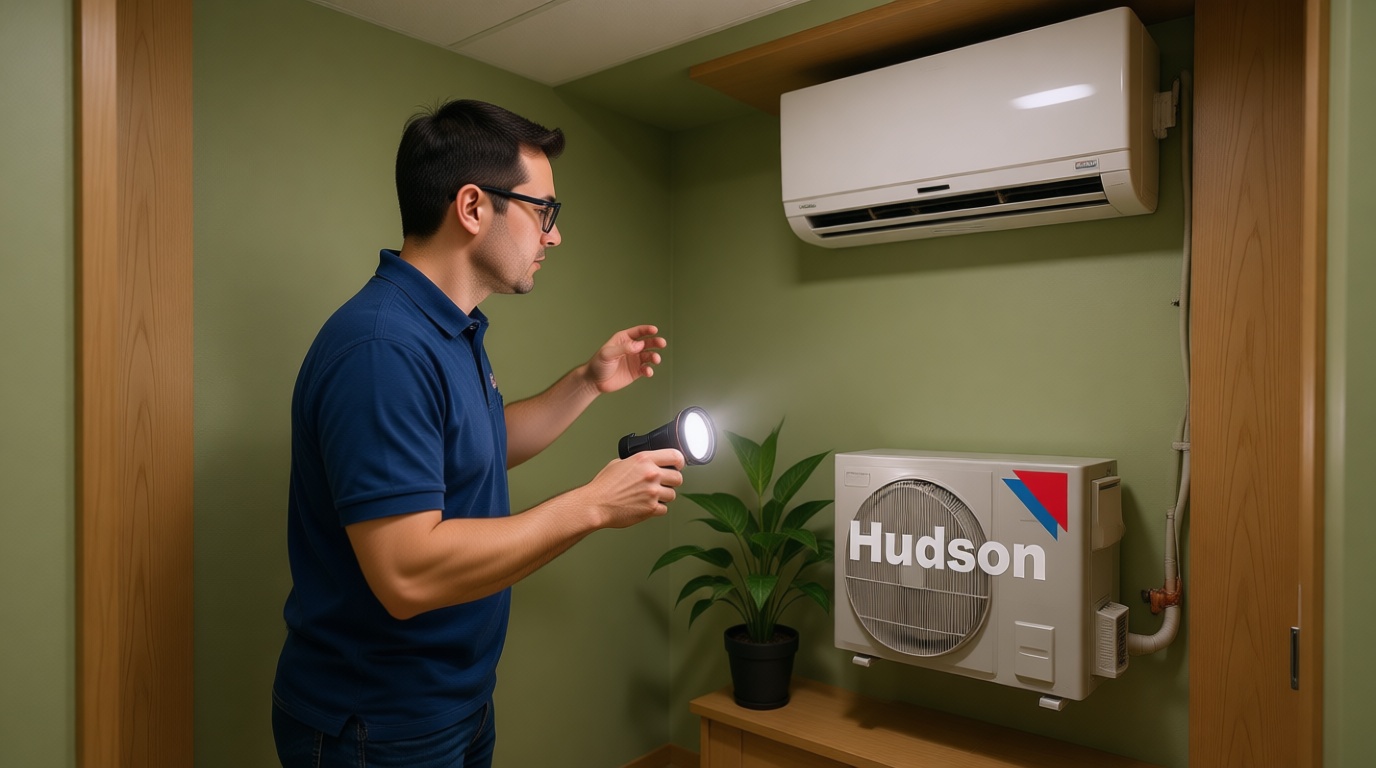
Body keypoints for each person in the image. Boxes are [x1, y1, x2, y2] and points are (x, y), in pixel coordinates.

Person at [270, 99, 685, 767]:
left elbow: (477, 448)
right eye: (543, 212)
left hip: (455, 704)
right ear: (472, 207)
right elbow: (406, 572)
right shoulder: (383, 349)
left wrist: (588, 380)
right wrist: (593, 506)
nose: (553, 237)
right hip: (377, 727)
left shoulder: (448, 330)